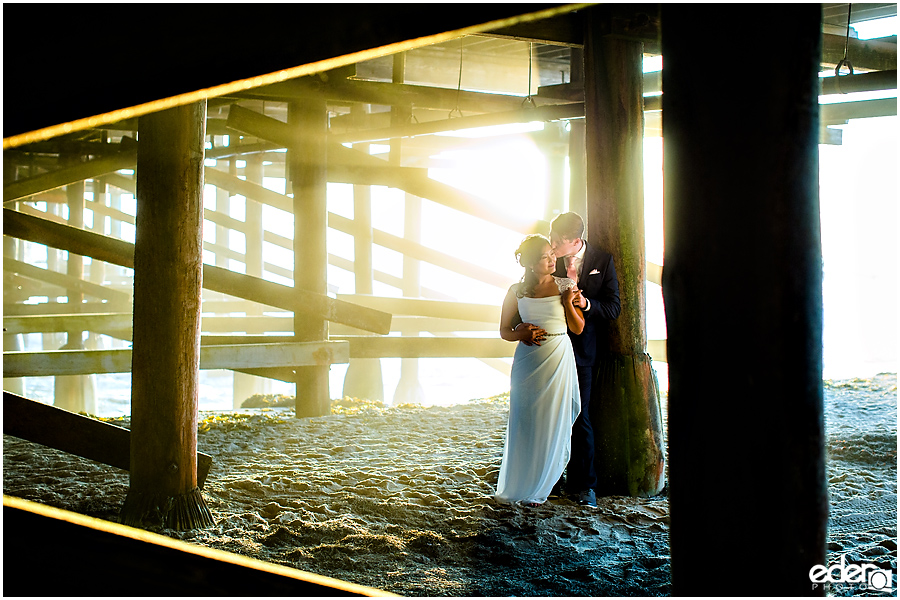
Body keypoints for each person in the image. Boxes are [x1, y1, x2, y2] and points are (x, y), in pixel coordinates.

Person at [495, 234, 585, 507]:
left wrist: (569, 302)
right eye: (545, 257)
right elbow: (503, 331)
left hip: (557, 356)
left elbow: (578, 328)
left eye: (551, 254)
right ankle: (519, 484)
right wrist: (520, 332)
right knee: (525, 421)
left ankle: (542, 486)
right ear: (532, 264)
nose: (552, 259)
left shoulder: (566, 285)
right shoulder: (516, 291)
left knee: (551, 420)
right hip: (527, 361)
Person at [549, 212, 621, 508]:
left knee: (581, 416)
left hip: (583, 351)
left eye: (558, 241)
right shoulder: (546, 258)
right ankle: (549, 480)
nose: (552, 245)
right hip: (550, 346)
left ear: (576, 242)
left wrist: (586, 303)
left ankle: (584, 486)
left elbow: (613, 307)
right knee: (550, 415)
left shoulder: (602, 261)